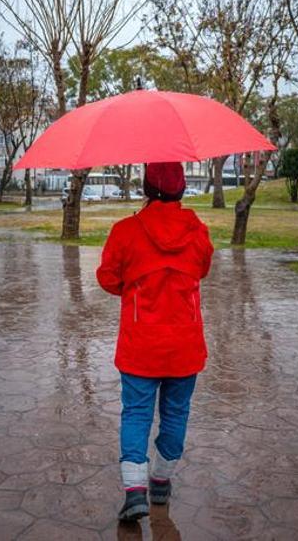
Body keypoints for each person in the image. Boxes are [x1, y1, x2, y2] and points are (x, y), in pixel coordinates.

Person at [96, 162, 214, 522]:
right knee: (176, 413)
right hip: (184, 346)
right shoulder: (198, 232)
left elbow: (107, 278)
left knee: (136, 413)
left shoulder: (125, 231)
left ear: (147, 188)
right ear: (180, 189)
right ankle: (161, 480)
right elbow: (203, 269)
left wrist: (132, 290)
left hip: (140, 347)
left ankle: (135, 493)